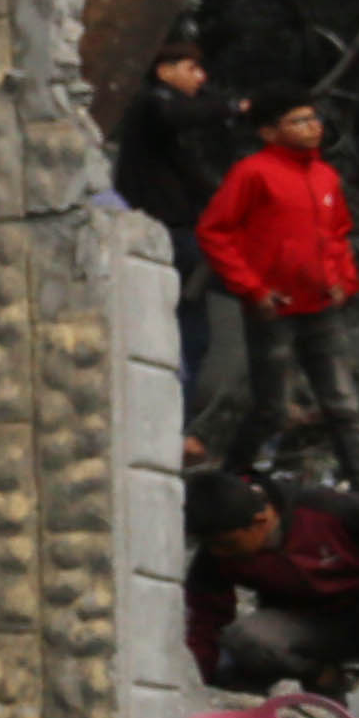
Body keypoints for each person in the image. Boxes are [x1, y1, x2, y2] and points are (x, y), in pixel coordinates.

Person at [195, 99, 359, 491]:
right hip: (274, 308)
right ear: (269, 132)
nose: (312, 127)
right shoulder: (252, 173)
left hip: (323, 306)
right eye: (298, 121)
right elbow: (214, 231)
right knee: (272, 409)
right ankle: (231, 479)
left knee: (343, 404)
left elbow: (338, 233)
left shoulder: (325, 176)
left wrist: (345, 280)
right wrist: (252, 289)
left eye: (313, 118)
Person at [185, 465, 359, 693]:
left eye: (226, 543)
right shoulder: (214, 558)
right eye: (210, 545)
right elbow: (206, 624)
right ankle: (324, 682)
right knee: (245, 639)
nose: (218, 552)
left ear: (260, 521)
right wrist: (195, 682)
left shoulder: (321, 507)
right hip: (310, 629)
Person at [117, 27, 254, 450]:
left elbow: (196, 180)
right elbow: (177, 116)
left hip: (181, 237)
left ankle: (175, 427)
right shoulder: (151, 107)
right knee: (205, 323)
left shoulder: (168, 136)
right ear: (165, 71)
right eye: (191, 68)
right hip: (167, 239)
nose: (200, 77)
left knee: (192, 338)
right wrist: (235, 107)